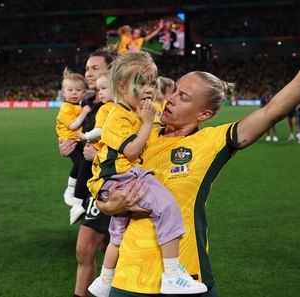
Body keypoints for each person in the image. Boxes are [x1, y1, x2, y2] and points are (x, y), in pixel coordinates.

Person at [91, 7, 300, 297]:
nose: (169, 99)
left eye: (183, 98)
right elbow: (103, 173)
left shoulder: (213, 141)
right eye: (173, 91)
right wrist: (107, 204)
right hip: (128, 279)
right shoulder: (141, 130)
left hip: (188, 277)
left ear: (205, 114)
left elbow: (272, 112)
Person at [87, 52, 207, 297]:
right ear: (121, 86)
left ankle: (104, 280)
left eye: (152, 82)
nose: (148, 89)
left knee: (117, 234)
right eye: (141, 83)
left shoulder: (130, 111)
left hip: (115, 181)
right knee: (168, 206)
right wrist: (146, 122)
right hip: (121, 179)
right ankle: (172, 275)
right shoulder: (117, 116)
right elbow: (132, 149)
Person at [58, 48, 116, 297]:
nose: (88, 74)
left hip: (113, 184)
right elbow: (80, 142)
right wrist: (67, 147)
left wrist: (99, 156)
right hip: (93, 184)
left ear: (112, 71)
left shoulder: (119, 106)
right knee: (90, 248)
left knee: (98, 247)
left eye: (94, 68)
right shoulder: (89, 104)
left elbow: (133, 149)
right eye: (86, 69)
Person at [56, 68, 90, 207]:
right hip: (70, 140)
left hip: (77, 139)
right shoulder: (66, 108)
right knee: (80, 164)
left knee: (83, 163)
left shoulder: (77, 105)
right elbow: (73, 125)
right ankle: (71, 189)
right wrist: (85, 111)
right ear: (63, 93)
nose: (74, 93)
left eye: (77, 90)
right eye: (70, 90)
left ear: (84, 93)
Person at [76, 72, 116, 144]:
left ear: (116, 88)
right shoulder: (123, 105)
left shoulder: (105, 109)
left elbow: (99, 130)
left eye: (103, 88)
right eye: (99, 90)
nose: (100, 92)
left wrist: (86, 136)